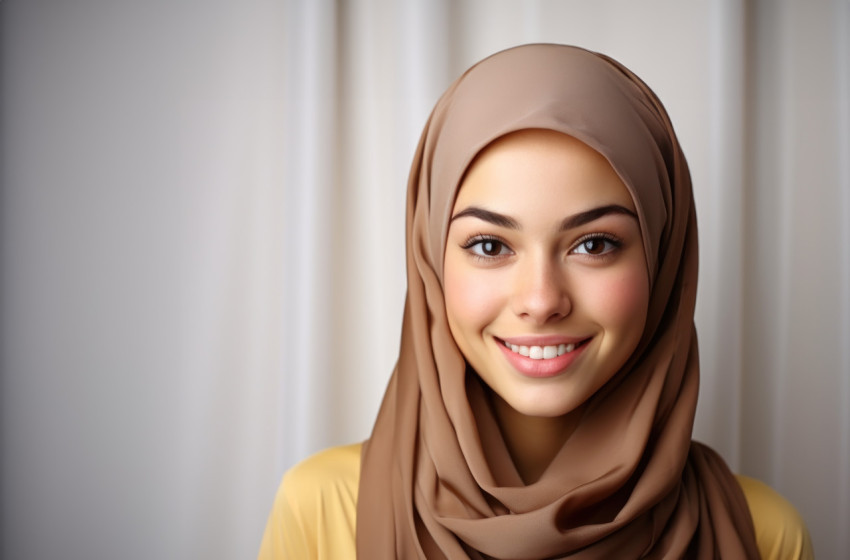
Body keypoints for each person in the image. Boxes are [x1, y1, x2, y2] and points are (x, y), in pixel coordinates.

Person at [259, 44, 813, 559]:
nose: (542, 300)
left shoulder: (764, 535)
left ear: (663, 263)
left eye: (594, 244)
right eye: (490, 245)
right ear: (430, 263)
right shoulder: (325, 512)